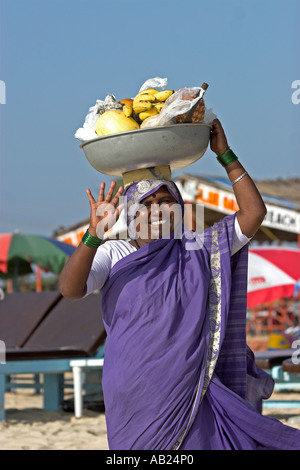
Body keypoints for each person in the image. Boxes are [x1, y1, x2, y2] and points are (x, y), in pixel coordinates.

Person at [59, 119, 300, 450]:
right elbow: (71, 289)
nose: (158, 210)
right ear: (129, 212)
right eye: (147, 203)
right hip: (132, 393)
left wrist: (225, 155)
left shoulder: (200, 248)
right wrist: (92, 235)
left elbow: (253, 214)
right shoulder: (114, 253)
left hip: (191, 390)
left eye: (166, 201)